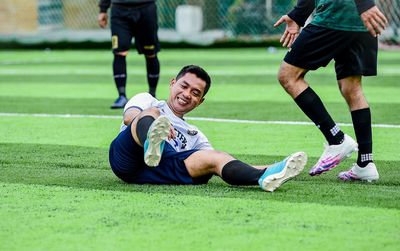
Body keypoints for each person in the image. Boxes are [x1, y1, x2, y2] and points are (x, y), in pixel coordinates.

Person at [109, 65, 308, 192]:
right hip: (128, 157)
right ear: (172, 84)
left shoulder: (195, 134)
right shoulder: (148, 100)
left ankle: (264, 176)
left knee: (215, 156)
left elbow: (220, 165)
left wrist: (274, 168)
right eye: (184, 86)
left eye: (195, 93)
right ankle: (152, 144)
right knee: (151, 114)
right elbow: (129, 118)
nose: (187, 94)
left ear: (200, 101)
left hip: (164, 168)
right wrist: (155, 125)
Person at [274, 0, 388, 181]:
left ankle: (336, 139)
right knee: (352, 87)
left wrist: (364, 4)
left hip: (336, 14)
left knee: (288, 75)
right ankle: (365, 163)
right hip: (363, 22)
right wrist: (298, 15)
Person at [98, 0, 160, 109]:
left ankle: (152, 96)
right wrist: (103, 9)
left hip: (146, 9)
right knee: (119, 52)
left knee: (150, 53)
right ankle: (121, 96)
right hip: (119, 11)